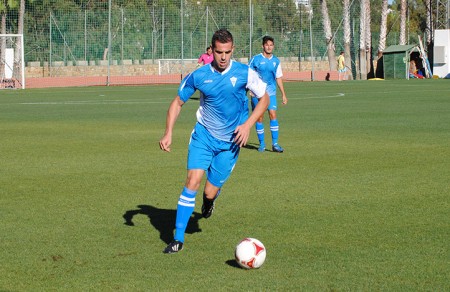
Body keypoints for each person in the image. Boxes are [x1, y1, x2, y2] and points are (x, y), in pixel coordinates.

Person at [159, 28, 269, 254]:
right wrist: (168, 132)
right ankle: (178, 238)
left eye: (227, 52)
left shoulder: (244, 73)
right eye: (219, 52)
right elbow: (177, 103)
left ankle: (208, 203)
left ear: (233, 50)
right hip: (204, 136)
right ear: (212, 50)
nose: (223, 57)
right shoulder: (199, 75)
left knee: (209, 192)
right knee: (192, 181)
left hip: (230, 143)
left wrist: (247, 125)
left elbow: (264, 98)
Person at [248, 36, 288, 153]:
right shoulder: (255, 59)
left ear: (273, 46)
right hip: (257, 93)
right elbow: (248, 75)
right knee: (259, 118)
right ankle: (262, 144)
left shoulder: (276, 61)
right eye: (267, 45)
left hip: (271, 93)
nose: (269, 47)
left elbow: (278, 78)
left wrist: (283, 94)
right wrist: (250, 88)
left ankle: (275, 144)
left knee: (273, 114)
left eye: (271, 45)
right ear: (263, 46)